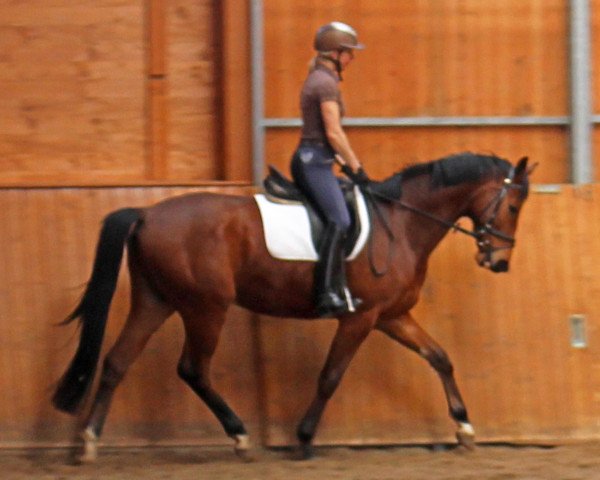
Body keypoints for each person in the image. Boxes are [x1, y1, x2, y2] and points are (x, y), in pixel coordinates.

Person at [290, 21, 369, 317]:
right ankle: (325, 292)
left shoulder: (322, 79)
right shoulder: (324, 84)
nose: (352, 58)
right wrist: (356, 167)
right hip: (314, 163)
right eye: (349, 52)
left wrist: (343, 165)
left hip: (319, 159)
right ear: (335, 53)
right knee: (340, 218)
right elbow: (334, 133)